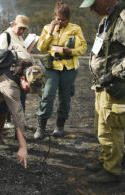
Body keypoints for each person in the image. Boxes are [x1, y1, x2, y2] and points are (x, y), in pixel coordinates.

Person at [80, 0, 125, 183]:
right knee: (101, 129)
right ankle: (105, 161)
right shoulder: (107, 19)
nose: (92, 9)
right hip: (103, 86)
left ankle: (111, 171)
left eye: (94, 4)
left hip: (115, 86)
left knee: (112, 128)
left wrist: (114, 74)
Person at [34, 1, 87, 139]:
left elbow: (83, 48)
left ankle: (59, 126)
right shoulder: (47, 28)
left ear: (68, 19)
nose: (60, 22)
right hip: (52, 67)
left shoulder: (75, 29)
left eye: (63, 20)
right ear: (54, 16)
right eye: (58, 19)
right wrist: (50, 32)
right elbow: (41, 47)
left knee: (65, 97)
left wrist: (71, 51)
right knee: (47, 95)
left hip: (69, 68)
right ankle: (41, 127)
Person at [0, 59, 45, 169]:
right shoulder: (11, 87)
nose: (30, 92)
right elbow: (18, 117)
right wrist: (23, 147)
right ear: (23, 78)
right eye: (29, 88)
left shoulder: (26, 68)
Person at [0, 15, 34, 145]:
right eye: (20, 28)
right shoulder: (6, 36)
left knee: (19, 105)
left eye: (24, 29)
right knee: (0, 106)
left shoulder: (20, 37)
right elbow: (1, 58)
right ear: (14, 24)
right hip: (4, 76)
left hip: (17, 76)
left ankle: (18, 134)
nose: (21, 31)